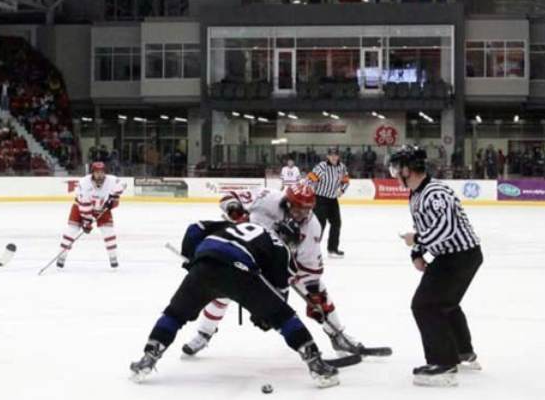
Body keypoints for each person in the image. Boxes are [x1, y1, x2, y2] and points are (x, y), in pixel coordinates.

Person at [128, 215, 339, 388]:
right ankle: (316, 364)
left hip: (204, 265)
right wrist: (264, 317)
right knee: (284, 317)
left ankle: (148, 358)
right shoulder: (281, 248)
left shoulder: (239, 225)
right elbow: (279, 292)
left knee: (174, 314)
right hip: (239, 271)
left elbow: (195, 228)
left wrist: (191, 259)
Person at [182, 184, 370, 357]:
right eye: (298, 207)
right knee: (221, 293)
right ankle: (204, 334)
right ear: (286, 202)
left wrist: (312, 295)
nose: (302, 213)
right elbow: (229, 197)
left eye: (307, 209)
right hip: (247, 254)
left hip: (282, 263)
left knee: (319, 294)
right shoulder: (265, 198)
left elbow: (309, 268)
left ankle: (337, 335)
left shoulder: (312, 228)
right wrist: (234, 209)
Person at [392, 145, 482, 387]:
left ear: (408, 169)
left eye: (397, 168)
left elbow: (446, 228)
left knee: (425, 305)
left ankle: (443, 365)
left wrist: (418, 241)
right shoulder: (416, 194)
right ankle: (463, 352)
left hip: (461, 256)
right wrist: (417, 252)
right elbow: (426, 226)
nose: (395, 173)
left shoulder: (436, 192)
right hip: (452, 257)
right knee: (445, 303)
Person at [55, 161, 124, 269]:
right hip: (80, 208)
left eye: (102, 172)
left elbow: (122, 186)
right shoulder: (84, 183)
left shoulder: (112, 180)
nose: (100, 175)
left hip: (102, 208)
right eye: (97, 172)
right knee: (71, 231)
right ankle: (61, 256)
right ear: (92, 173)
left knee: (109, 233)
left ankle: (113, 257)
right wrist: (87, 222)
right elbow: (84, 206)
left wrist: (114, 198)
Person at [307, 147, 349, 258]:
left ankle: (332, 249)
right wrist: (310, 190)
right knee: (319, 225)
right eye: (331, 155)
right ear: (328, 156)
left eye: (336, 155)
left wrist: (342, 189)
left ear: (338, 156)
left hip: (333, 200)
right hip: (320, 199)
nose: (334, 157)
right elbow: (310, 179)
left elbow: (346, 181)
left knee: (336, 223)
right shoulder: (322, 166)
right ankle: (312, 250)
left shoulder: (342, 167)